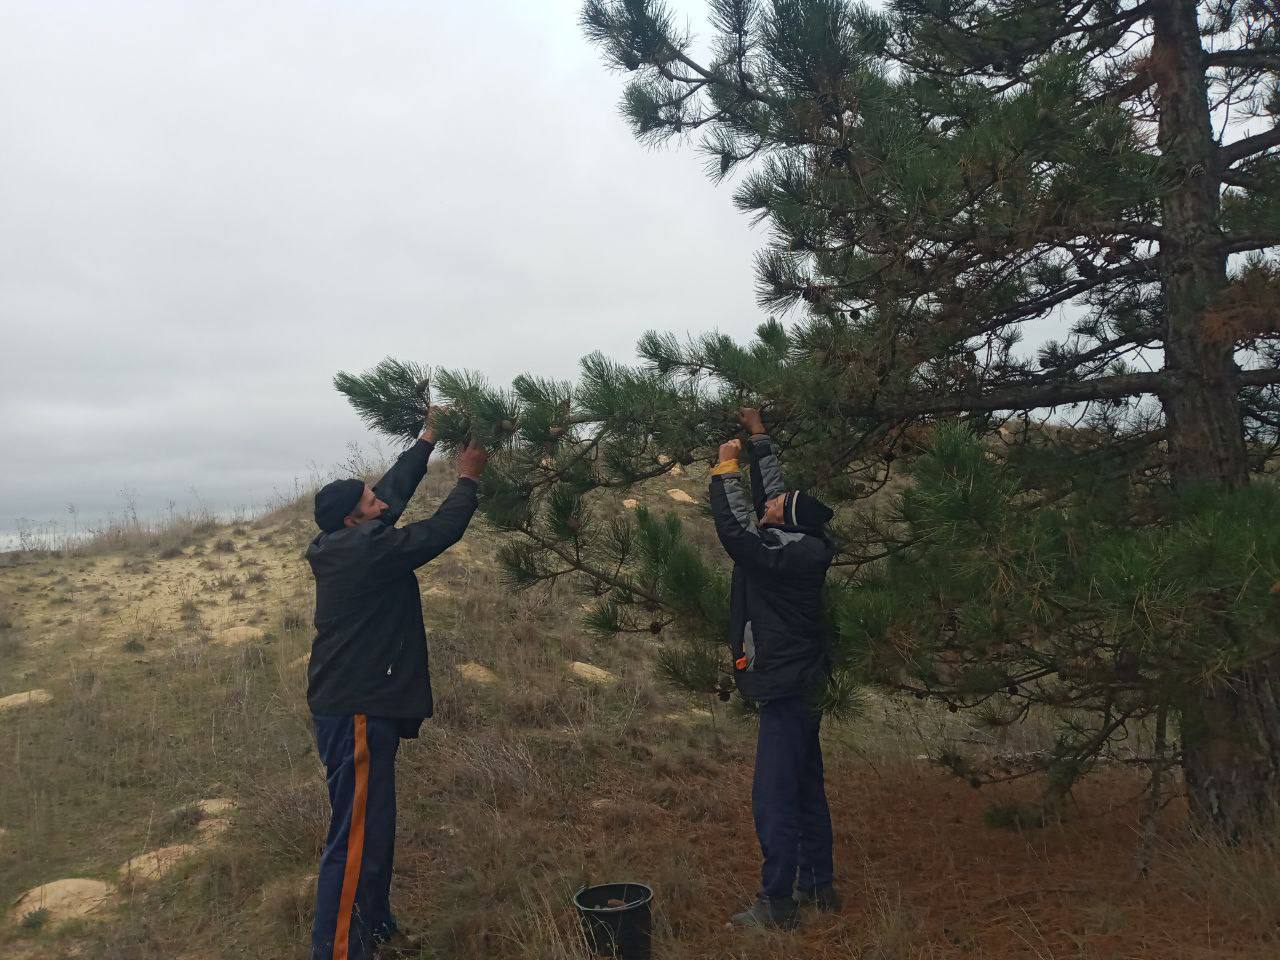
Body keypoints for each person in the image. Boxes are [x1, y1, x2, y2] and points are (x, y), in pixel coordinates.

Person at [305, 408, 486, 960]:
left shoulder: (346, 539)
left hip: (358, 704)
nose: (380, 503)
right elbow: (439, 532)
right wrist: (468, 478)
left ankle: (374, 929)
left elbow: (391, 493)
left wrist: (426, 438)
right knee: (355, 836)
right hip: (356, 709)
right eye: (370, 503)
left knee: (374, 825)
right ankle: (338, 951)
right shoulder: (367, 552)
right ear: (354, 521)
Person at [709, 407, 839, 930]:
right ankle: (818, 885)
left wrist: (725, 469)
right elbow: (774, 498)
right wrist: (759, 439)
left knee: (774, 796)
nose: (770, 504)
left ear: (784, 522)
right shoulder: (799, 543)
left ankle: (777, 903)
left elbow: (738, 530)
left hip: (786, 687)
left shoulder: (777, 553)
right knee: (806, 785)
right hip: (805, 681)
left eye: (777, 507)